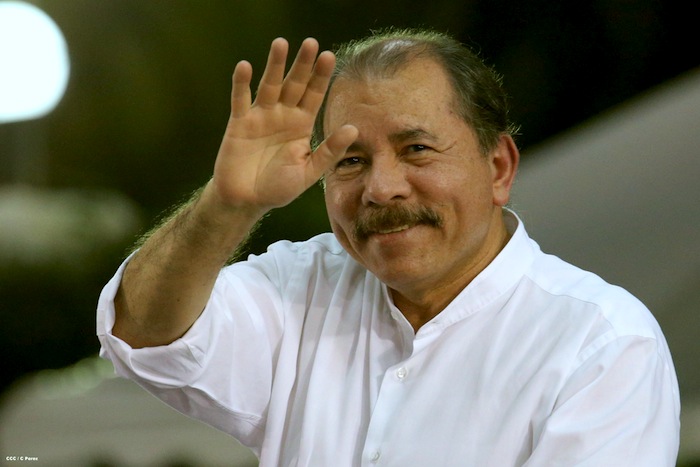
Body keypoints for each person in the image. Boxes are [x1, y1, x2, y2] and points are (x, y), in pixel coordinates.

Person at [97, 28, 680, 466]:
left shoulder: (599, 343)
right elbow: (143, 333)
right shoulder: (302, 287)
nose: (381, 188)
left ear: (499, 167)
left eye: (416, 149)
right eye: (351, 160)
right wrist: (228, 204)